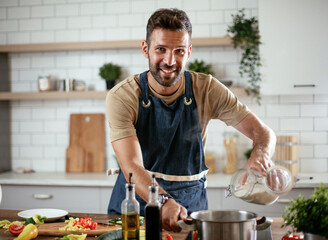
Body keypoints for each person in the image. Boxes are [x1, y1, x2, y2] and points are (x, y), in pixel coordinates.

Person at [106, 8, 276, 232]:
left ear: (189, 52)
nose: (170, 60)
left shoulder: (207, 89)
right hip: (135, 214)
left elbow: (263, 133)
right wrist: (163, 202)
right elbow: (131, 165)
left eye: (179, 51)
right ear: (145, 49)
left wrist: (260, 154)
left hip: (191, 215)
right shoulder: (123, 96)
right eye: (161, 49)